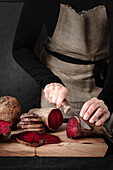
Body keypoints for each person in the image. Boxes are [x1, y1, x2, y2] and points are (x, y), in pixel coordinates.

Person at [12, 0, 113, 136]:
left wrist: (108, 98)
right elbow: (20, 47)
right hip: (57, 89)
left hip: (106, 85)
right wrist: (48, 80)